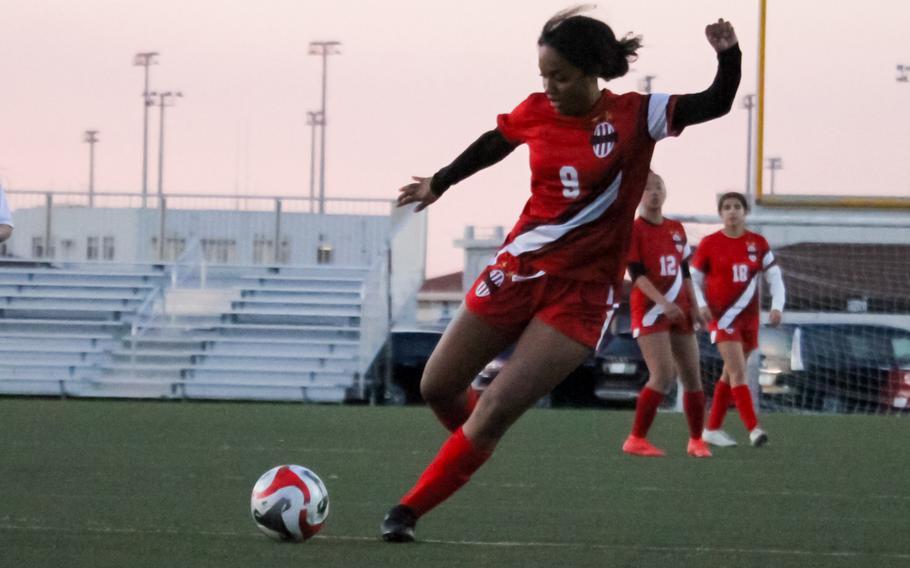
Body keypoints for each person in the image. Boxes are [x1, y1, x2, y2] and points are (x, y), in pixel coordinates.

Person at [383, 8, 742, 542]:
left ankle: (406, 512)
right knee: (438, 386)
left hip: (581, 295)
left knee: (496, 408)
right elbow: (493, 142)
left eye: (561, 77)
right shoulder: (535, 110)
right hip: (518, 268)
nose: (549, 88)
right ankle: (476, 444)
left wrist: (728, 56)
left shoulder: (636, 114)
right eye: (543, 76)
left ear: (593, 71)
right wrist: (440, 181)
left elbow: (717, 102)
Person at [621, 171, 711, 458]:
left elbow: (684, 272)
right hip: (651, 311)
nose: (654, 192)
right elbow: (636, 275)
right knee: (663, 374)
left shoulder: (675, 228)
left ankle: (696, 440)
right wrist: (663, 302)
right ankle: (636, 438)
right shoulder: (634, 230)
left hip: (680, 309)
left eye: (658, 187)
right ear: (638, 195)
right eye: (647, 188)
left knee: (692, 376)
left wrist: (694, 307)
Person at [690, 191, 785, 448]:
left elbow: (774, 277)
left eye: (737, 207)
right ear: (721, 213)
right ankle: (754, 429)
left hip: (749, 318)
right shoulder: (709, 243)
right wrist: (700, 305)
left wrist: (777, 306)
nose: (732, 211)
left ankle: (711, 429)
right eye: (727, 207)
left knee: (728, 374)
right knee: (738, 372)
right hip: (722, 317)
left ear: (745, 212)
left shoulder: (757, 243)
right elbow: (694, 279)